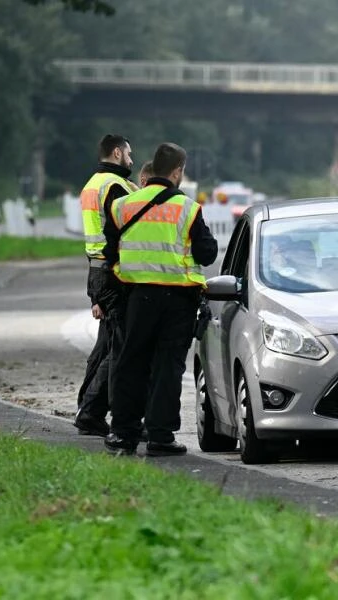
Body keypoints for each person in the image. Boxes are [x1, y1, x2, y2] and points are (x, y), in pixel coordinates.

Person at [103, 142, 218, 456]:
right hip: (179, 301)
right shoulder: (188, 209)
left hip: (137, 298)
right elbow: (207, 254)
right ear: (177, 171)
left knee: (131, 363)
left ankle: (123, 434)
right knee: (168, 368)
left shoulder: (123, 206)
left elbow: (109, 251)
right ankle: (160, 437)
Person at [73, 134, 138, 437]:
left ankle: (86, 408)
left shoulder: (91, 184)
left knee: (105, 345)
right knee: (119, 346)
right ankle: (91, 411)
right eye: (128, 154)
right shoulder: (114, 186)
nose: (132, 160)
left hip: (96, 269)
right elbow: (121, 230)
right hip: (113, 269)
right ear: (116, 152)